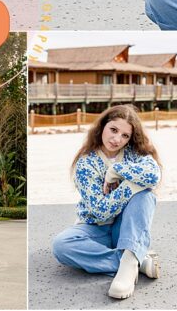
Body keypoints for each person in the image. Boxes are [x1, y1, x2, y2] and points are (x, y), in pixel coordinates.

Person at [51, 105, 163, 300]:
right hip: (95, 228)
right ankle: (134, 258)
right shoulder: (86, 164)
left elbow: (154, 176)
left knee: (145, 196)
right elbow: (101, 212)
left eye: (125, 135)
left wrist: (116, 171)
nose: (117, 139)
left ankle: (129, 264)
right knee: (61, 246)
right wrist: (131, 185)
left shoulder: (133, 155)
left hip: (126, 227)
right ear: (102, 127)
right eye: (113, 130)